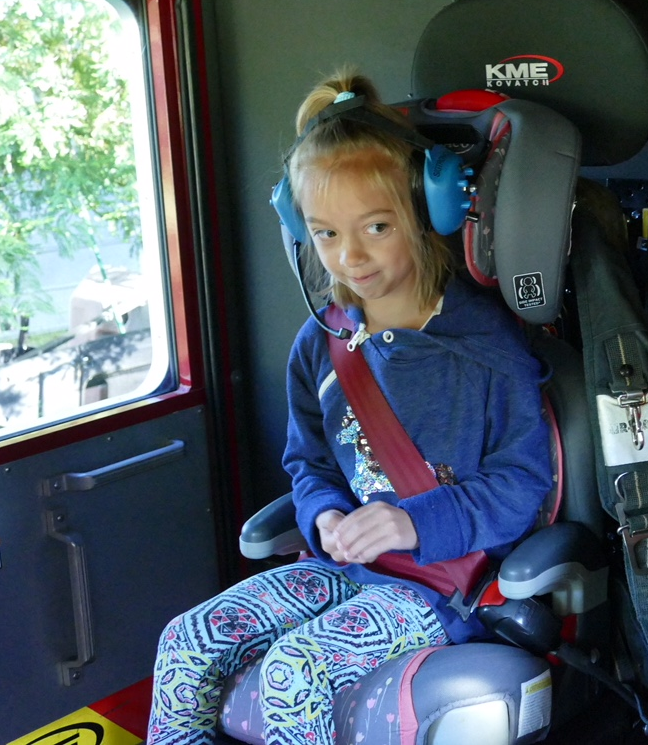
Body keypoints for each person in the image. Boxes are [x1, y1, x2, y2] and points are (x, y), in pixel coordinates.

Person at [147, 72, 553, 744]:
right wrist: (325, 512)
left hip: (437, 590)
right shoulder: (321, 344)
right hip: (337, 570)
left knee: (293, 675)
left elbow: (522, 489)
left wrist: (408, 523)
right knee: (190, 639)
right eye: (326, 233)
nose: (350, 255)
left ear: (426, 212)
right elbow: (308, 465)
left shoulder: (486, 349)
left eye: (376, 226)